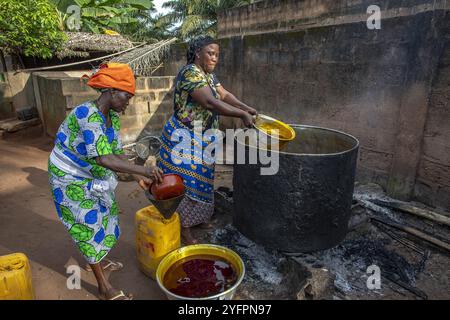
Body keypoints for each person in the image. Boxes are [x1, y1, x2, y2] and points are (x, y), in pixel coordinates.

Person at [48, 63, 163, 300]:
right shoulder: (86, 115)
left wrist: (139, 175)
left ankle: (98, 259)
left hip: (89, 173)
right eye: (126, 96)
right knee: (87, 225)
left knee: (105, 214)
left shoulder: (111, 116)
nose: (128, 102)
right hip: (68, 176)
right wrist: (145, 170)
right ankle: (103, 286)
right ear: (111, 91)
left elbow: (117, 152)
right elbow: (104, 158)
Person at [157, 36, 257, 245]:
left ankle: (198, 218)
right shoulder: (190, 73)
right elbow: (210, 102)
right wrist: (241, 115)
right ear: (198, 53)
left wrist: (245, 107)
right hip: (184, 137)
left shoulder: (208, 76)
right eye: (210, 53)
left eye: (217, 54)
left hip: (204, 138)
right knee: (187, 184)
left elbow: (224, 94)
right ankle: (184, 228)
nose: (214, 58)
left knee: (203, 181)